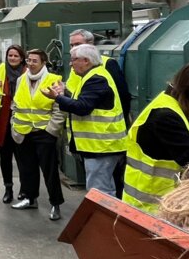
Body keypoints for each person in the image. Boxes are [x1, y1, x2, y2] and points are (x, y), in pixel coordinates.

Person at [123, 61, 189, 213]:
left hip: (162, 204)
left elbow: (174, 145)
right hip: (153, 208)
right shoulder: (166, 116)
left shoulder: (172, 103)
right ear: (188, 88)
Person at [43, 44, 127, 197]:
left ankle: (104, 220)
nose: (70, 63)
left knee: (100, 191)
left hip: (102, 146)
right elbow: (84, 102)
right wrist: (65, 94)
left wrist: (57, 98)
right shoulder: (90, 76)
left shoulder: (96, 79)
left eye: (74, 59)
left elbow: (82, 107)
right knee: (101, 187)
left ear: (86, 61)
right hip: (98, 145)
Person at [67, 28, 132, 197]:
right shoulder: (78, 68)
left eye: (78, 45)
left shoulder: (105, 65)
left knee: (104, 186)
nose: (73, 50)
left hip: (103, 140)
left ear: (90, 46)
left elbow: (121, 98)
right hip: (86, 137)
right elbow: (78, 96)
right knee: (96, 182)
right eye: (71, 45)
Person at [10, 49, 66, 221]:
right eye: (29, 60)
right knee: (26, 169)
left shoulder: (53, 80)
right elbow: (16, 103)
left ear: (43, 63)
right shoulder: (21, 79)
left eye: (35, 61)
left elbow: (60, 109)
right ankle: (30, 198)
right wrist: (14, 124)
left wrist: (51, 130)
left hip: (44, 133)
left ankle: (55, 204)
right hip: (23, 132)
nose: (31, 64)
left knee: (49, 171)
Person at [0, 44, 26, 204]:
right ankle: (8, 188)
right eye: (10, 55)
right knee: (5, 156)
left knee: (23, 157)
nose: (12, 58)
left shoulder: (28, 71)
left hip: (22, 120)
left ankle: (25, 189)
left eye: (16, 56)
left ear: (22, 58)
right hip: (2, 121)